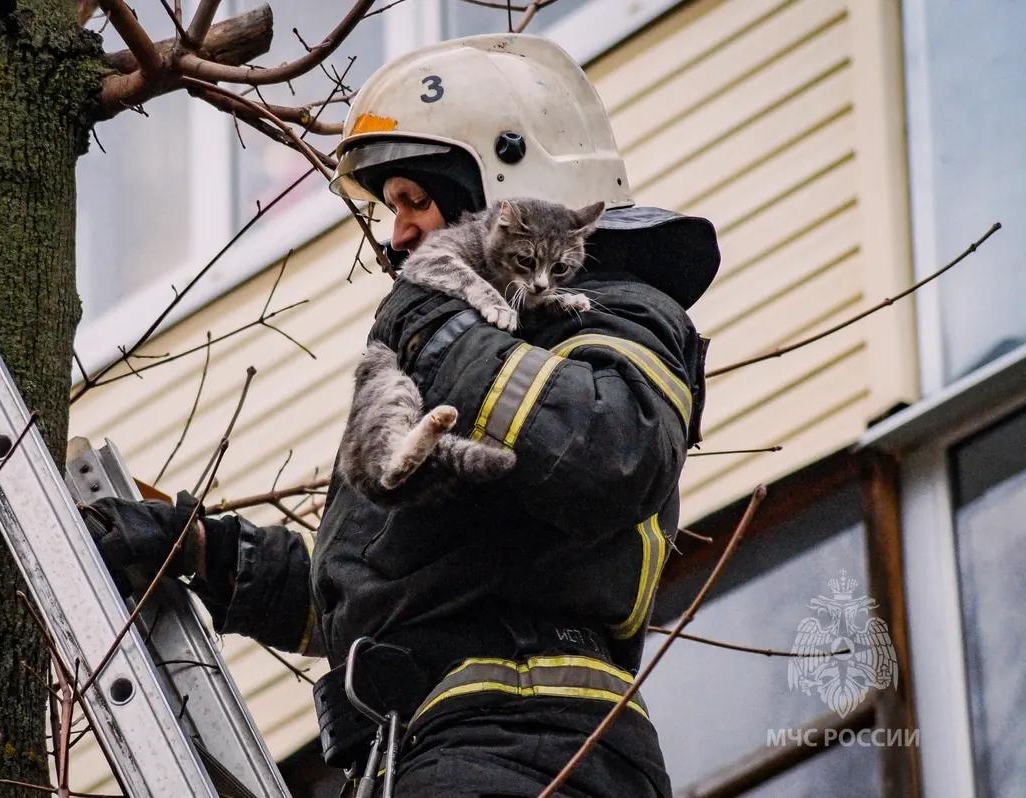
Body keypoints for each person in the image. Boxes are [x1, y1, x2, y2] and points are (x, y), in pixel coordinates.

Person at [83, 34, 719, 797]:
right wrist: (207, 553)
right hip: (432, 746)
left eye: (416, 202)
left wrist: (442, 333)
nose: (398, 236)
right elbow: (381, 592)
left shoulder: (618, 313)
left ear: (504, 192)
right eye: (393, 211)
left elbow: (615, 451)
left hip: (533, 745)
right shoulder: (475, 353)